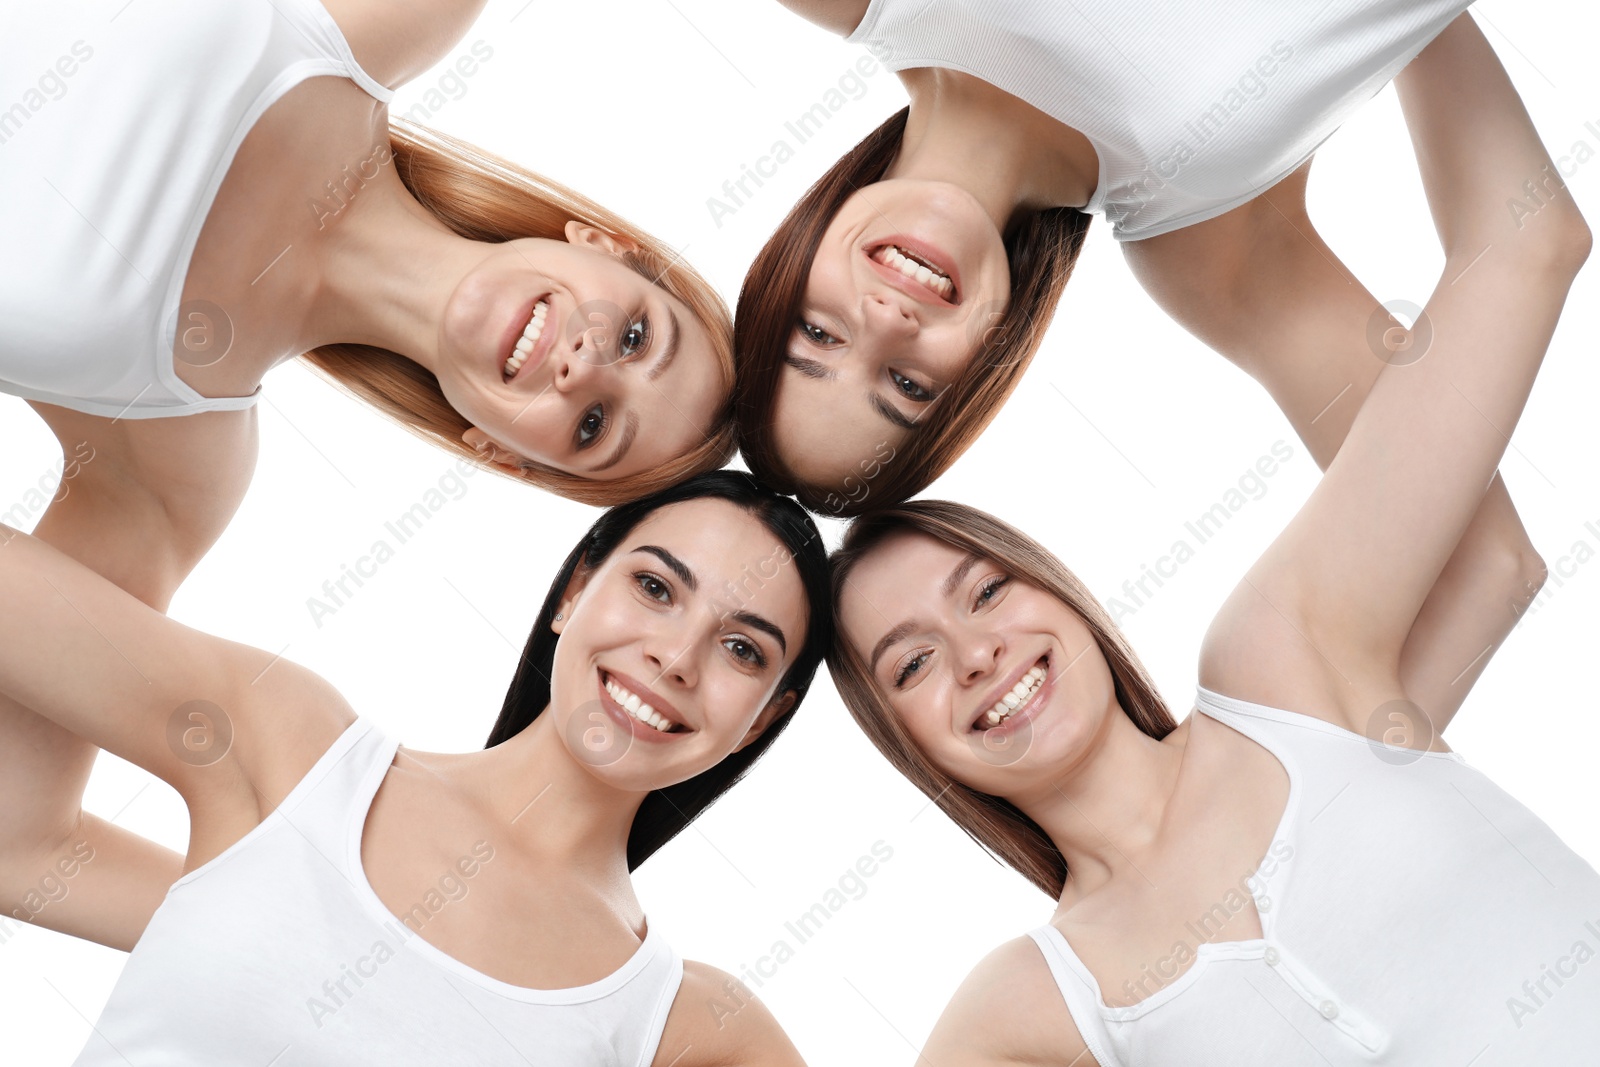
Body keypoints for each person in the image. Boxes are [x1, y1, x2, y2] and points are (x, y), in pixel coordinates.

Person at [828, 17, 1597, 1064]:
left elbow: (1524, 245)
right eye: (911, 661)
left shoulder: (1279, 669)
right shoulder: (1033, 1003)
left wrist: (1388, 24)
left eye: (986, 593)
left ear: (1060, 593)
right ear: (903, 741)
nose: (978, 654)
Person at [0, 0, 734, 951]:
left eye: (592, 425)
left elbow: (20, 846)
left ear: (502, 452)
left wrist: (367, 950)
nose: (585, 365)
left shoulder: (173, 457)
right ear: (602, 243)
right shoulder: (379, 24)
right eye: (638, 334)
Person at [0, 471, 829, 1065]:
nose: (676, 655)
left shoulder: (683, 1026)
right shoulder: (295, 748)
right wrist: (177, 458)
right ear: (576, 589)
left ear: (767, 715)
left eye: (741, 648)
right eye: (655, 586)